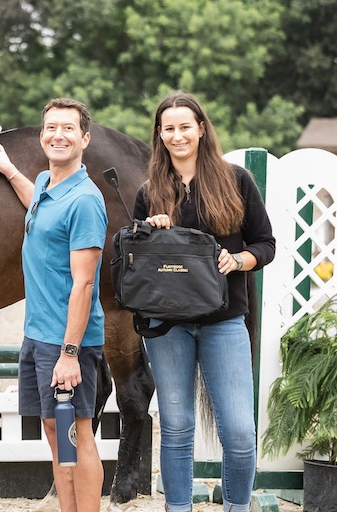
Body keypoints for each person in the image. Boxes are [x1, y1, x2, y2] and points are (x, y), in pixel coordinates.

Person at [135, 92, 275, 512]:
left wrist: (239, 259)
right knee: (176, 428)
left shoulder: (236, 180)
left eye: (185, 126)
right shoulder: (149, 191)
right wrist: (151, 230)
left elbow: (265, 244)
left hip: (225, 321)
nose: (177, 135)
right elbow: (140, 265)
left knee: (238, 432)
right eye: (169, 128)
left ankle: (237, 506)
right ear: (159, 135)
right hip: (167, 325)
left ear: (200, 129)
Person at [0, 98, 107, 512]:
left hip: (68, 341)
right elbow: (40, 207)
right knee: (54, 427)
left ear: (84, 138)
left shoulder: (85, 200)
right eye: (50, 128)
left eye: (68, 128)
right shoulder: (48, 183)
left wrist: (69, 354)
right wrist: (11, 171)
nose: (57, 135)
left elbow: (83, 284)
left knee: (75, 434)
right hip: (38, 334)